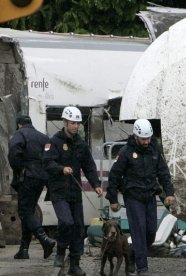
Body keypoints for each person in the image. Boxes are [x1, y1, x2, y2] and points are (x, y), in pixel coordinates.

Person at [106, 119, 175, 275]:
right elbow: (114, 176)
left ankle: (132, 255)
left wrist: (169, 193)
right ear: (136, 136)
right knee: (138, 231)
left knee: (151, 232)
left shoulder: (155, 151)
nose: (147, 141)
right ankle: (142, 268)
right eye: (143, 139)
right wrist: (113, 199)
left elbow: (163, 173)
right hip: (133, 197)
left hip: (150, 196)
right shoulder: (126, 152)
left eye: (149, 138)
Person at [43, 106, 102, 276]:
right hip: (58, 191)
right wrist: (61, 168)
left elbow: (89, 167)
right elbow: (47, 163)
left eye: (78, 123)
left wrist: (96, 184)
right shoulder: (54, 142)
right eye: (73, 123)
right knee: (66, 222)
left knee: (78, 228)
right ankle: (61, 251)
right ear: (65, 122)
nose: (76, 126)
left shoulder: (81, 144)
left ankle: (75, 264)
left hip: (75, 192)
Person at [7, 115, 56, 260]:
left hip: (27, 176)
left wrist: (18, 169)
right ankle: (24, 249)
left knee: (24, 212)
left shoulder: (19, 134)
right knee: (29, 211)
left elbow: (14, 153)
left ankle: (45, 240)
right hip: (41, 177)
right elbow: (50, 157)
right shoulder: (43, 137)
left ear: (19, 124)